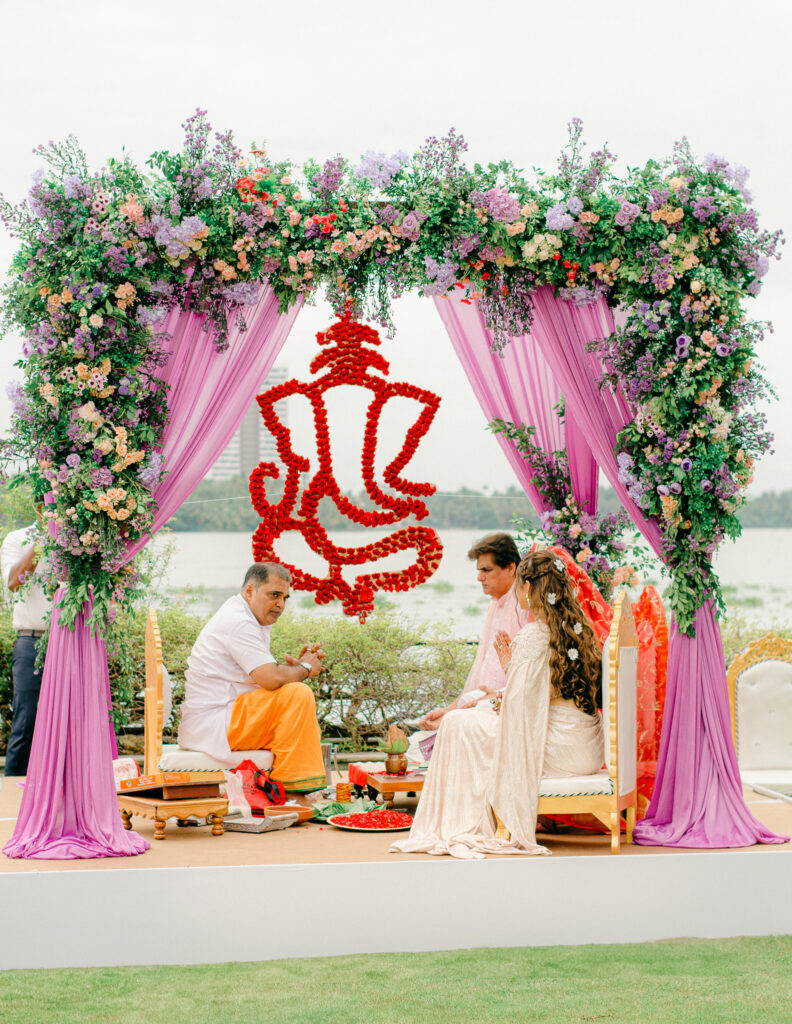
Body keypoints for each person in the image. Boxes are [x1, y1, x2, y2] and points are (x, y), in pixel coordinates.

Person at [391, 549, 604, 859]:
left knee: (457, 724)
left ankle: (459, 823)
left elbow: (520, 712)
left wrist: (500, 698)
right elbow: (547, 695)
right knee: (470, 714)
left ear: (528, 587)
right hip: (584, 747)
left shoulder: (535, 634)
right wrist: (507, 683)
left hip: (558, 749)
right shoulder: (575, 630)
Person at [178, 562, 327, 796]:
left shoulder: (244, 614)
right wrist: (305, 668)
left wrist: (294, 671)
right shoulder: (238, 621)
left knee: (292, 695)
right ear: (249, 591)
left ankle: (285, 788)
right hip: (217, 722)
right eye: (274, 595)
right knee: (297, 695)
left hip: (226, 716)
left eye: (285, 598)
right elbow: (269, 678)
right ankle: (291, 794)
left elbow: (267, 676)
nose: (280, 604)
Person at [409, 533, 530, 760]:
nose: (479, 578)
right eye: (478, 570)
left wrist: (476, 707)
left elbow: (529, 678)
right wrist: (450, 709)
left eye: (486, 570)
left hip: (502, 713)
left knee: (419, 750)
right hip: (478, 708)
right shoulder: (495, 604)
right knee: (415, 745)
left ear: (511, 568)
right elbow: (480, 670)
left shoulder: (525, 605)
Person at [1, 513, 50, 777]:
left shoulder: (78, 540)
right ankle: (11, 798)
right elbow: (12, 582)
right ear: (39, 507)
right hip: (32, 641)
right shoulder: (17, 539)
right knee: (26, 722)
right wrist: (45, 538)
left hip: (71, 641)